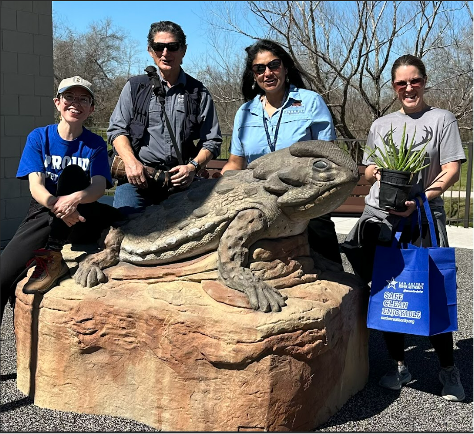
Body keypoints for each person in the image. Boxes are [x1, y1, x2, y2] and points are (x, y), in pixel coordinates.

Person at [342, 54, 466, 401]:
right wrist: (377, 172)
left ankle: (448, 370)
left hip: (422, 216)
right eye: (401, 83)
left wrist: (423, 197)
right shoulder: (381, 125)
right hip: (381, 217)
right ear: (394, 87)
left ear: (424, 82)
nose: (408, 88)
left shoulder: (442, 119)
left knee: (430, 288)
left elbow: (451, 167)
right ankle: (399, 364)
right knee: (388, 291)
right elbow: (367, 169)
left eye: (414, 81)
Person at [0, 76, 124, 325]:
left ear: (91, 108)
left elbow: (99, 185)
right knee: (4, 275)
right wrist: (58, 206)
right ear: (57, 102)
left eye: (83, 99)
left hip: (83, 214)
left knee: (74, 175)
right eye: (69, 97)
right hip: (45, 212)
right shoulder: (39, 137)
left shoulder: (95, 144)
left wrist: (73, 200)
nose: (75, 104)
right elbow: (36, 186)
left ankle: (53, 256)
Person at [221, 39, 342, 265]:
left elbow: (329, 156)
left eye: (273, 65)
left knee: (326, 270)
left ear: (285, 68)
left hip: (305, 201)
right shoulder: (245, 112)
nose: (267, 73)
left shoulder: (311, 103)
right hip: (260, 202)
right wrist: (215, 186)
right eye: (260, 68)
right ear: (254, 75)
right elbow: (236, 162)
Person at [107, 20, 222, 214]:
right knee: (124, 231)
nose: (165, 53)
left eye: (172, 47)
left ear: (183, 50)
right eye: (159, 47)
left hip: (181, 183)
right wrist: (130, 162)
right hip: (137, 180)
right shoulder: (135, 87)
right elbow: (117, 130)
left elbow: (212, 141)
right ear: (150, 51)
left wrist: (193, 167)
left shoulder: (199, 92)